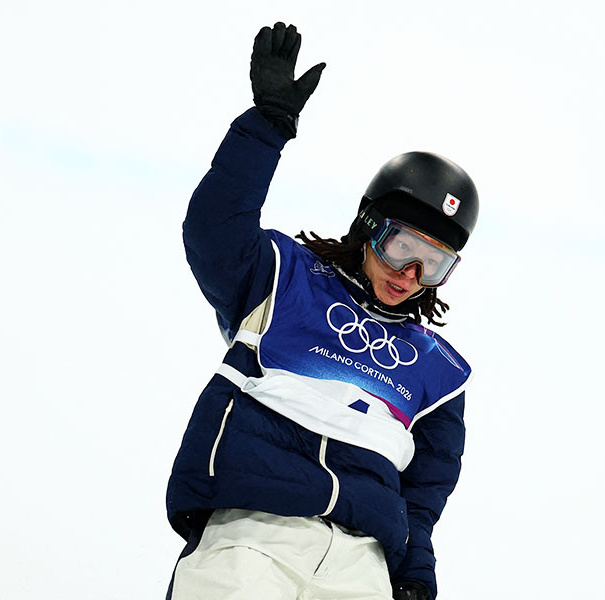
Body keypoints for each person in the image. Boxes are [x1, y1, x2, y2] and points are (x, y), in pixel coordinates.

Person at [165, 22, 479, 600]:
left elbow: (422, 499)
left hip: (361, 568)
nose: (410, 274)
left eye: (432, 264)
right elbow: (212, 231)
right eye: (402, 247)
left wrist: (412, 578)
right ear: (368, 226)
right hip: (253, 535)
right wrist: (265, 130)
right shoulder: (284, 279)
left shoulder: (441, 374)